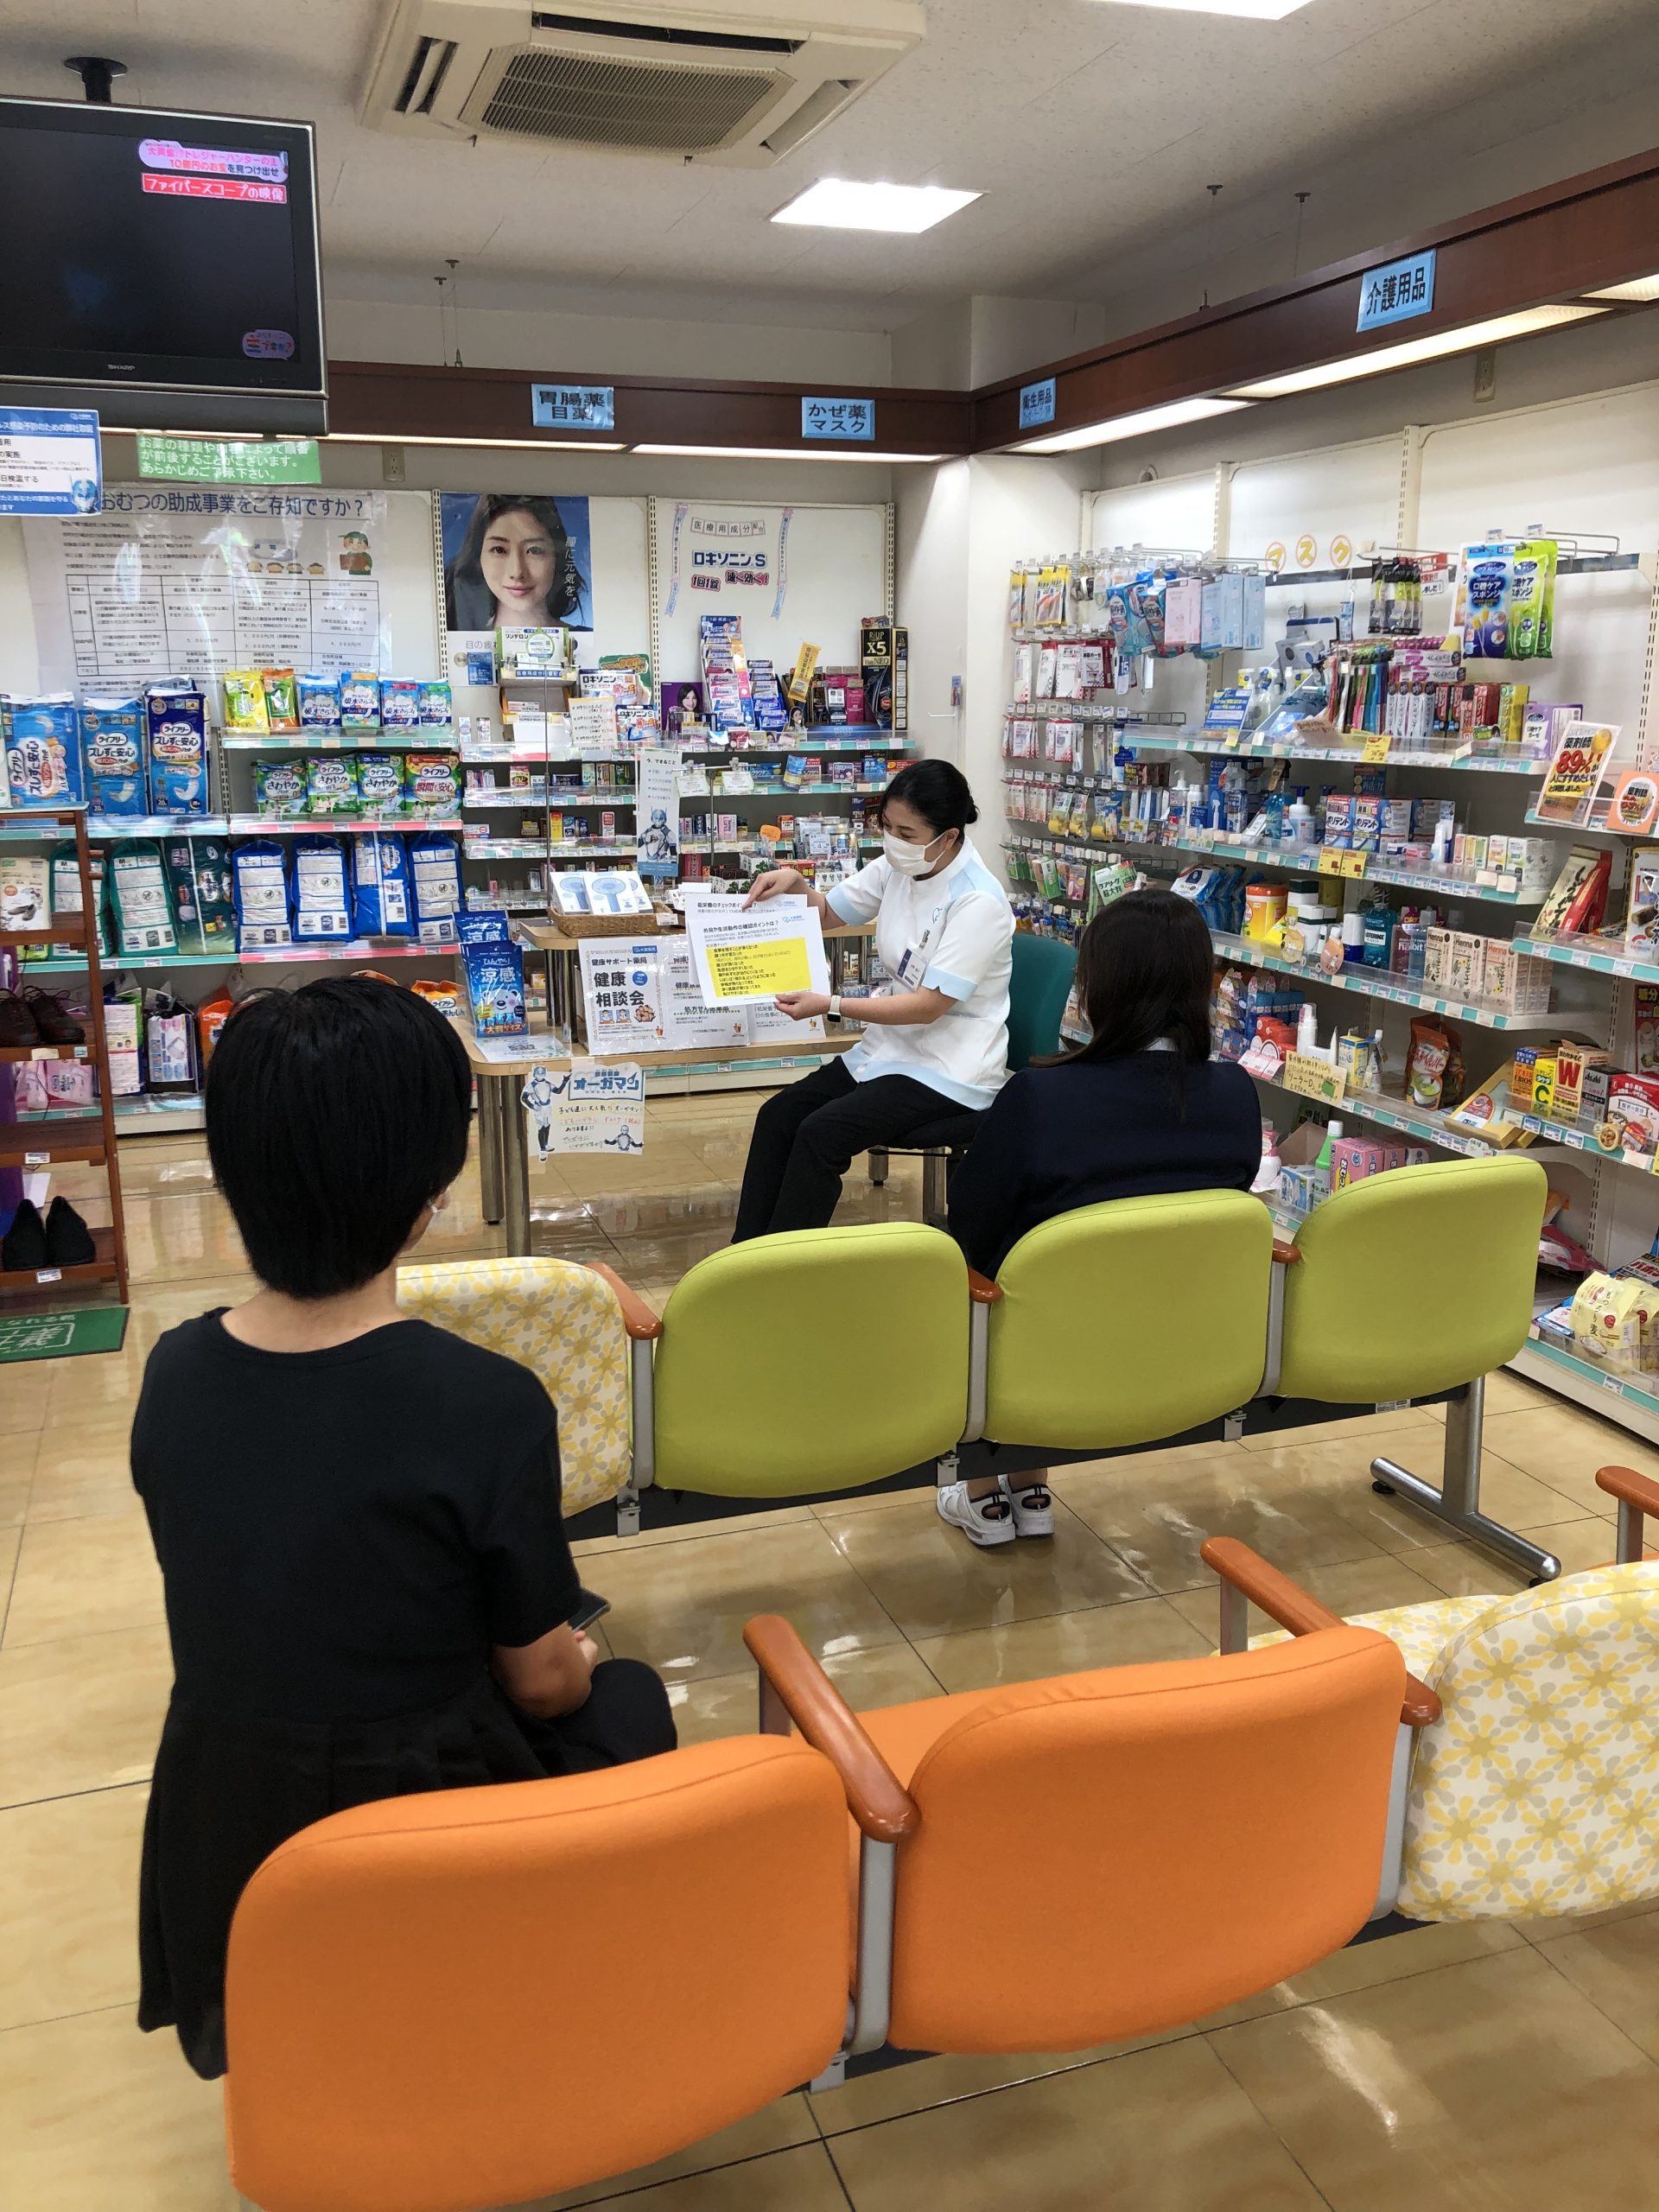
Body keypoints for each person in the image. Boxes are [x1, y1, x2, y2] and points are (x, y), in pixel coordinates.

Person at [131, 978, 674, 2078]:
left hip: (231, 1814)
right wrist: (574, 1655)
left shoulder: (175, 1374)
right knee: (626, 1696)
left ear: (230, 1174)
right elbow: (541, 1685)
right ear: (432, 1191)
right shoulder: (483, 1401)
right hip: (429, 1804)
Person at [938, 887, 1262, 1548]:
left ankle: (986, 1492)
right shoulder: (1235, 1094)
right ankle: (1031, 1486)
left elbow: (971, 1222)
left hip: (1045, 1350)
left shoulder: (1040, 1096)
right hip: (1187, 1349)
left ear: (1094, 988)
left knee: (969, 1274)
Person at [733, 760, 1014, 1241]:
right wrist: (796, 885)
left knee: (821, 1133)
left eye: (906, 832)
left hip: (949, 1067)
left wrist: (831, 1004)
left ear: (948, 837)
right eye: (887, 826)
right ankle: (745, 1254)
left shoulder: (978, 902)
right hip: (890, 1048)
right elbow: (829, 914)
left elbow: (927, 1006)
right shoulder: (899, 867)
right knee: (778, 1116)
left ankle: (784, 1267)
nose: (893, 840)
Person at [445, 493, 588, 631]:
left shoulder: (589, 641)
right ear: (478, 556)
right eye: (499, 550)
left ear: (557, 557)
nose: (517, 572)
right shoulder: (463, 642)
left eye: (534, 550)